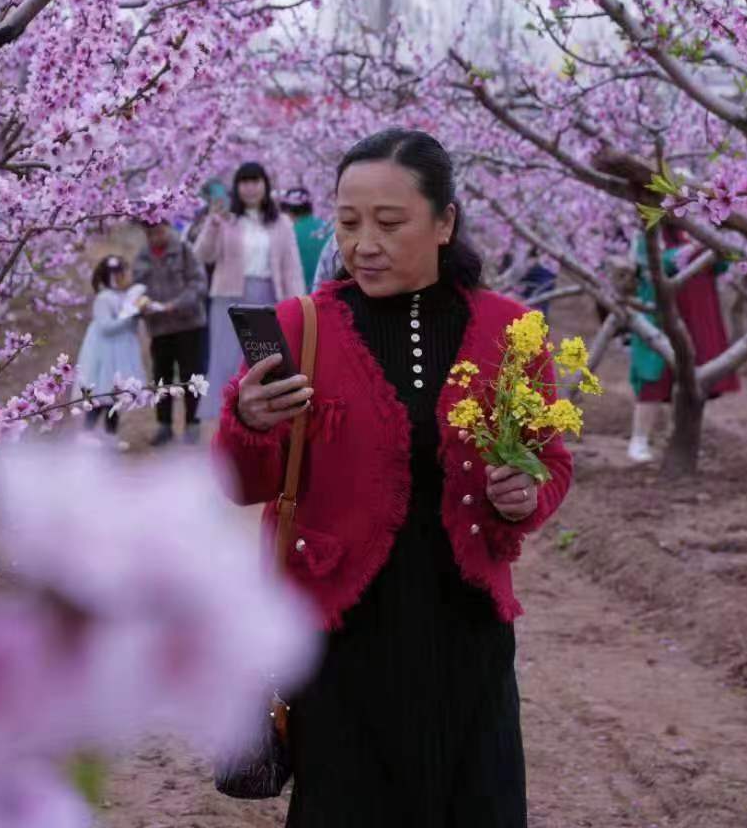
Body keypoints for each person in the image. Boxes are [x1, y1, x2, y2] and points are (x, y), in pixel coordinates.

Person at [215, 128, 570, 828]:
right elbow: (242, 481)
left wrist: (524, 497)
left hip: (465, 636)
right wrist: (249, 420)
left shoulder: (512, 330)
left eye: (389, 222)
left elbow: (549, 463)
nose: (363, 243)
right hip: (342, 644)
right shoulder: (301, 326)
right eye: (348, 223)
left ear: (444, 223)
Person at [193, 161, 306, 417]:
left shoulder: (282, 224)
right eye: (244, 182)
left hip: (268, 297)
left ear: (265, 185)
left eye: (256, 181)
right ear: (237, 187)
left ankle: (260, 415)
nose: (250, 188)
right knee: (226, 360)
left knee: (263, 359)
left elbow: (292, 268)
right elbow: (203, 255)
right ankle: (224, 418)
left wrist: (297, 303)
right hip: (228, 300)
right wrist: (212, 223)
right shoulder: (226, 220)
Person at [627, 222, 741, 464]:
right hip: (662, 313)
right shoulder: (652, 229)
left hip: (697, 313)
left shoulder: (700, 227)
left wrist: (715, 250)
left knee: (689, 380)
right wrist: (690, 252)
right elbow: (652, 262)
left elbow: (721, 265)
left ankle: (678, 438)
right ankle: (639, 439)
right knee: (654, 380)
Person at [133, 219, 209, 446]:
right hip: (159, 328)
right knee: (161, 377)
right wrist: (143, 305)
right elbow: (137, 289)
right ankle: (164, 425)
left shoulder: (184, 250)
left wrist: (177, 304)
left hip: (189, 324)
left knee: (191, 375)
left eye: (159, 231)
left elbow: (198, 283)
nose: (156, 236)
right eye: (151, 233)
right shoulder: (142, 258)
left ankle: (192, 423)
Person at [75, 255, 146, 446]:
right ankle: (87, 432)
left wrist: (136, 315)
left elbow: (128, 325)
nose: (126, 276)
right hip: (104, 352)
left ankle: (111, 435)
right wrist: (128, 317)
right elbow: (106, 326)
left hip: (120, 350)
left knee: (115, 395)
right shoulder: (103, 298)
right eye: (122, 273)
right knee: (102, 392)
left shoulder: (123, 296)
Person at [280, 186, 334, 289]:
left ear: (288, 211)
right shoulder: (327, 229)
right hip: (327, 294)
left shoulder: (289, 234)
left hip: (300, 296)